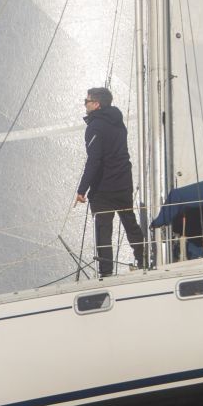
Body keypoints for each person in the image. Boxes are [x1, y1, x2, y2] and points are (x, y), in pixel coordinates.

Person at [75, 87, 144, 277]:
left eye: (87, 101)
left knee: (103, 230)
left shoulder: (95, 126)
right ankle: (144, 259)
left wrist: (82, 190)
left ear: (96, 104)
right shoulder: (118, 122)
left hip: (103, 188)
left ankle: (106, 273)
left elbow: (94, 160)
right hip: (123, 183)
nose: (85, 104)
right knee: (130, 223)